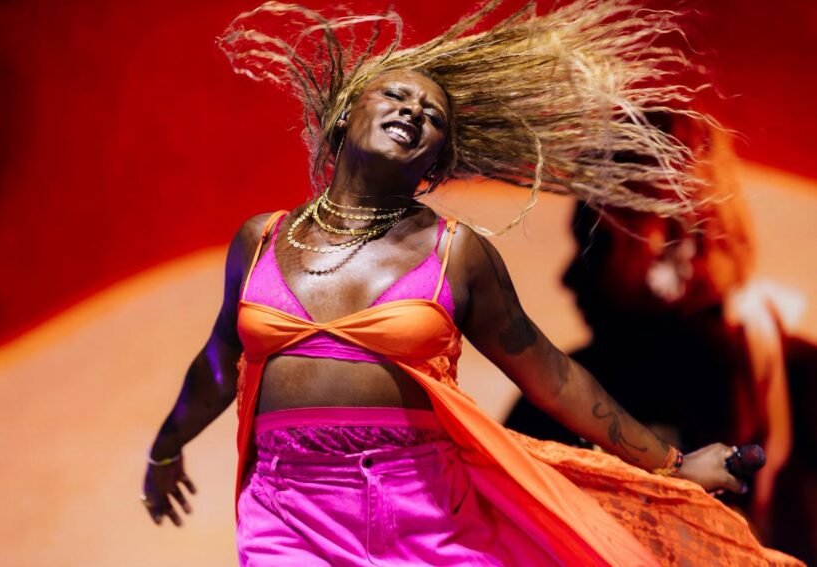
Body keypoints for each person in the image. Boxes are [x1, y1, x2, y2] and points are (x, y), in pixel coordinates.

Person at [140, 1, 804, 564]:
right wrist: (168, 447)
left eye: (432, 115)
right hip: (285, 509)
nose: (413, 111)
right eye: (395, 96)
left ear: (434, 165)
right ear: (344, 117)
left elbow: (553, 378)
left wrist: (673, 464)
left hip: (418, 509)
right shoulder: (261, 238)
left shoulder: (456, 255)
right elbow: (220, 362)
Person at [505, 114, 817, 563]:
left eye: (598, 244)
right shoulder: (555, 396)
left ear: (677, 237)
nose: (570, 277)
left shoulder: (559, 395)